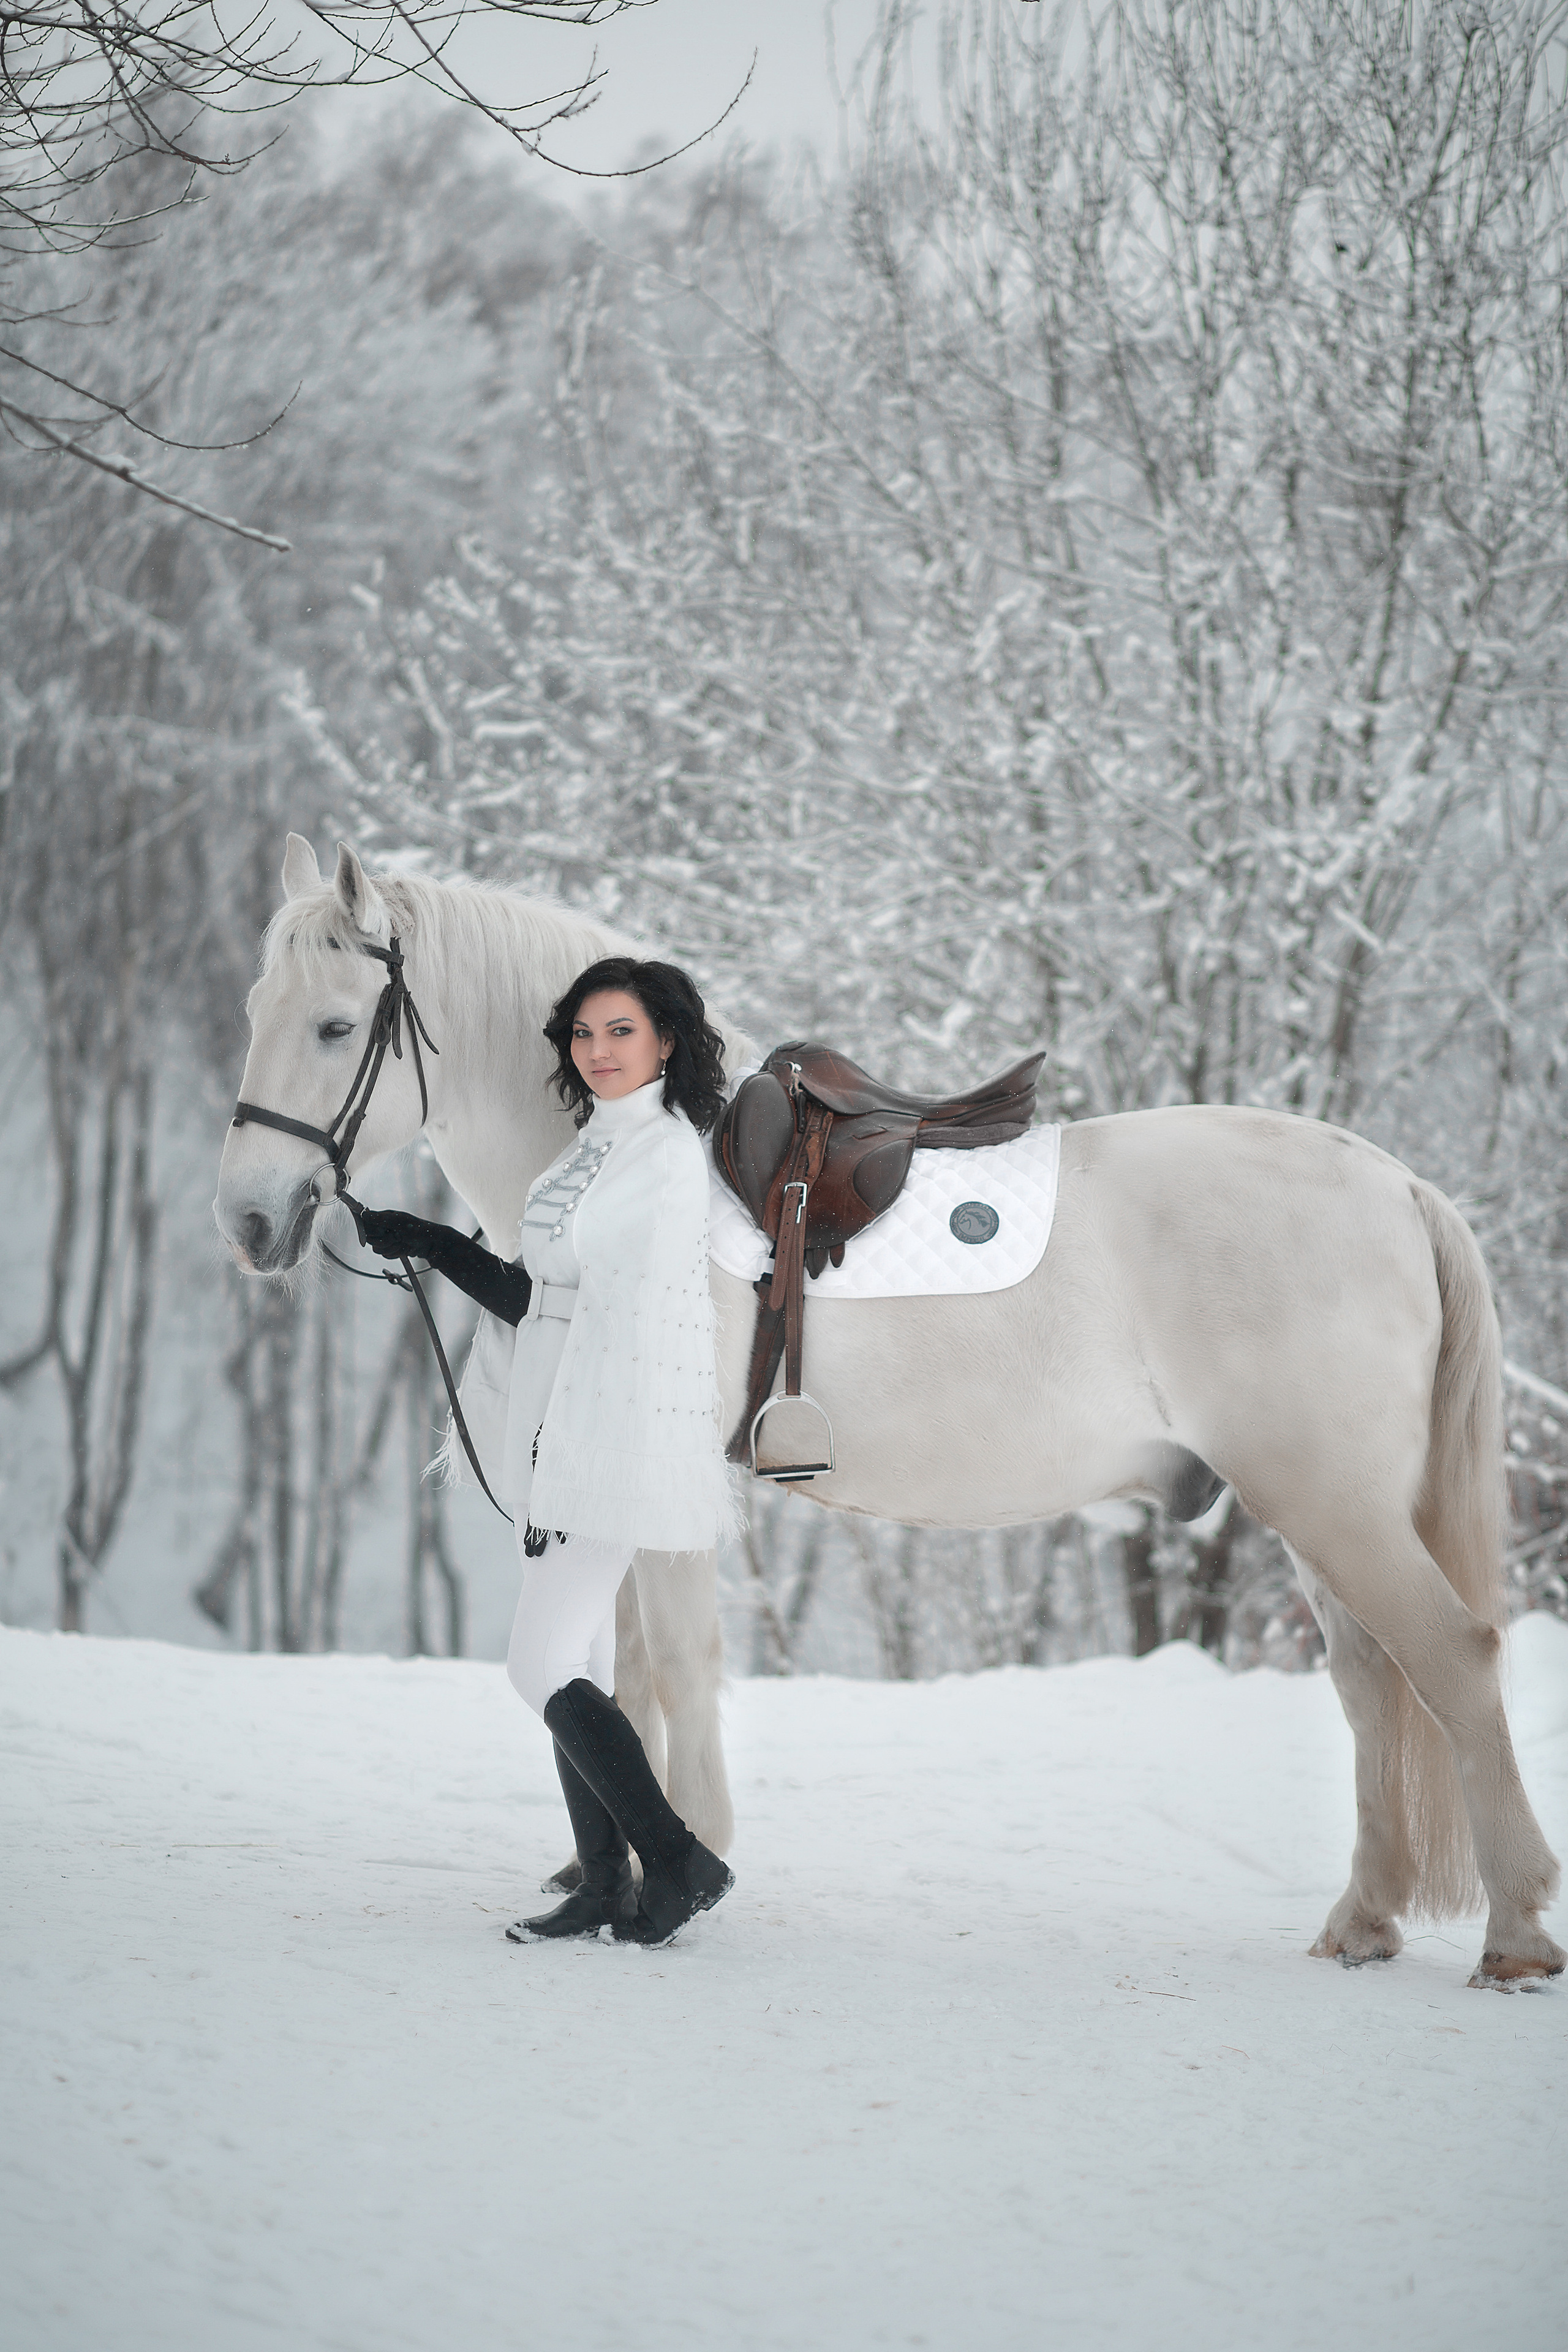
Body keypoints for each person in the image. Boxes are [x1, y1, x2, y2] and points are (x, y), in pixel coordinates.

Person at [358, 957, 738, 1948]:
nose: (599, 1051)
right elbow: (540, 1298)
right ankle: (605, 1885)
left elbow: (628, 1328)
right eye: (584, 1034)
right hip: (560, 1441)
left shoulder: (658, 1153)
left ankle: (681, 1861)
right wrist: (437, 1244)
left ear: (665, 1042)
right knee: (585, 1662)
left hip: (603, 1445)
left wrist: (570, 1462)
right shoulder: (591, 1150)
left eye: (621, 1032)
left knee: (537, 1668)